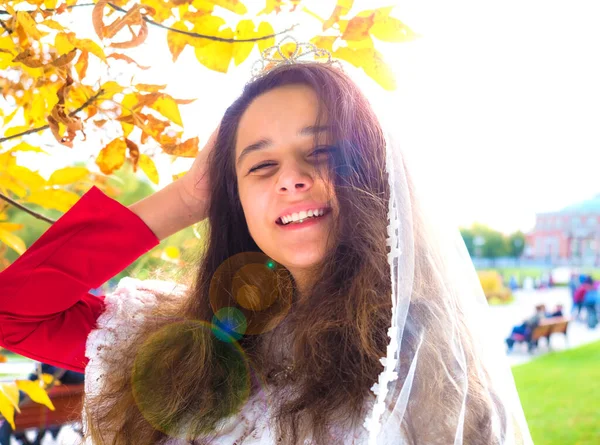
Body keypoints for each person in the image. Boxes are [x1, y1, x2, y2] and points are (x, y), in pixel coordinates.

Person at [0, 40, 532, 444]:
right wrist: (186, 196)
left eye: (320, 152)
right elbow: (11, 311)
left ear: (371, 173)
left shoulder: (430, 362)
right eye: (261, 164)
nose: (290, 178)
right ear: (231, 196)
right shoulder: (169, 340)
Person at [0, 363, 85, 445]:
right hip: (56, 415)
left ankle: (21, 440)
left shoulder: (50, 373)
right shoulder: (75, 379)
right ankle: (30, 440)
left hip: (26, 417)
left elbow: (32, 378)